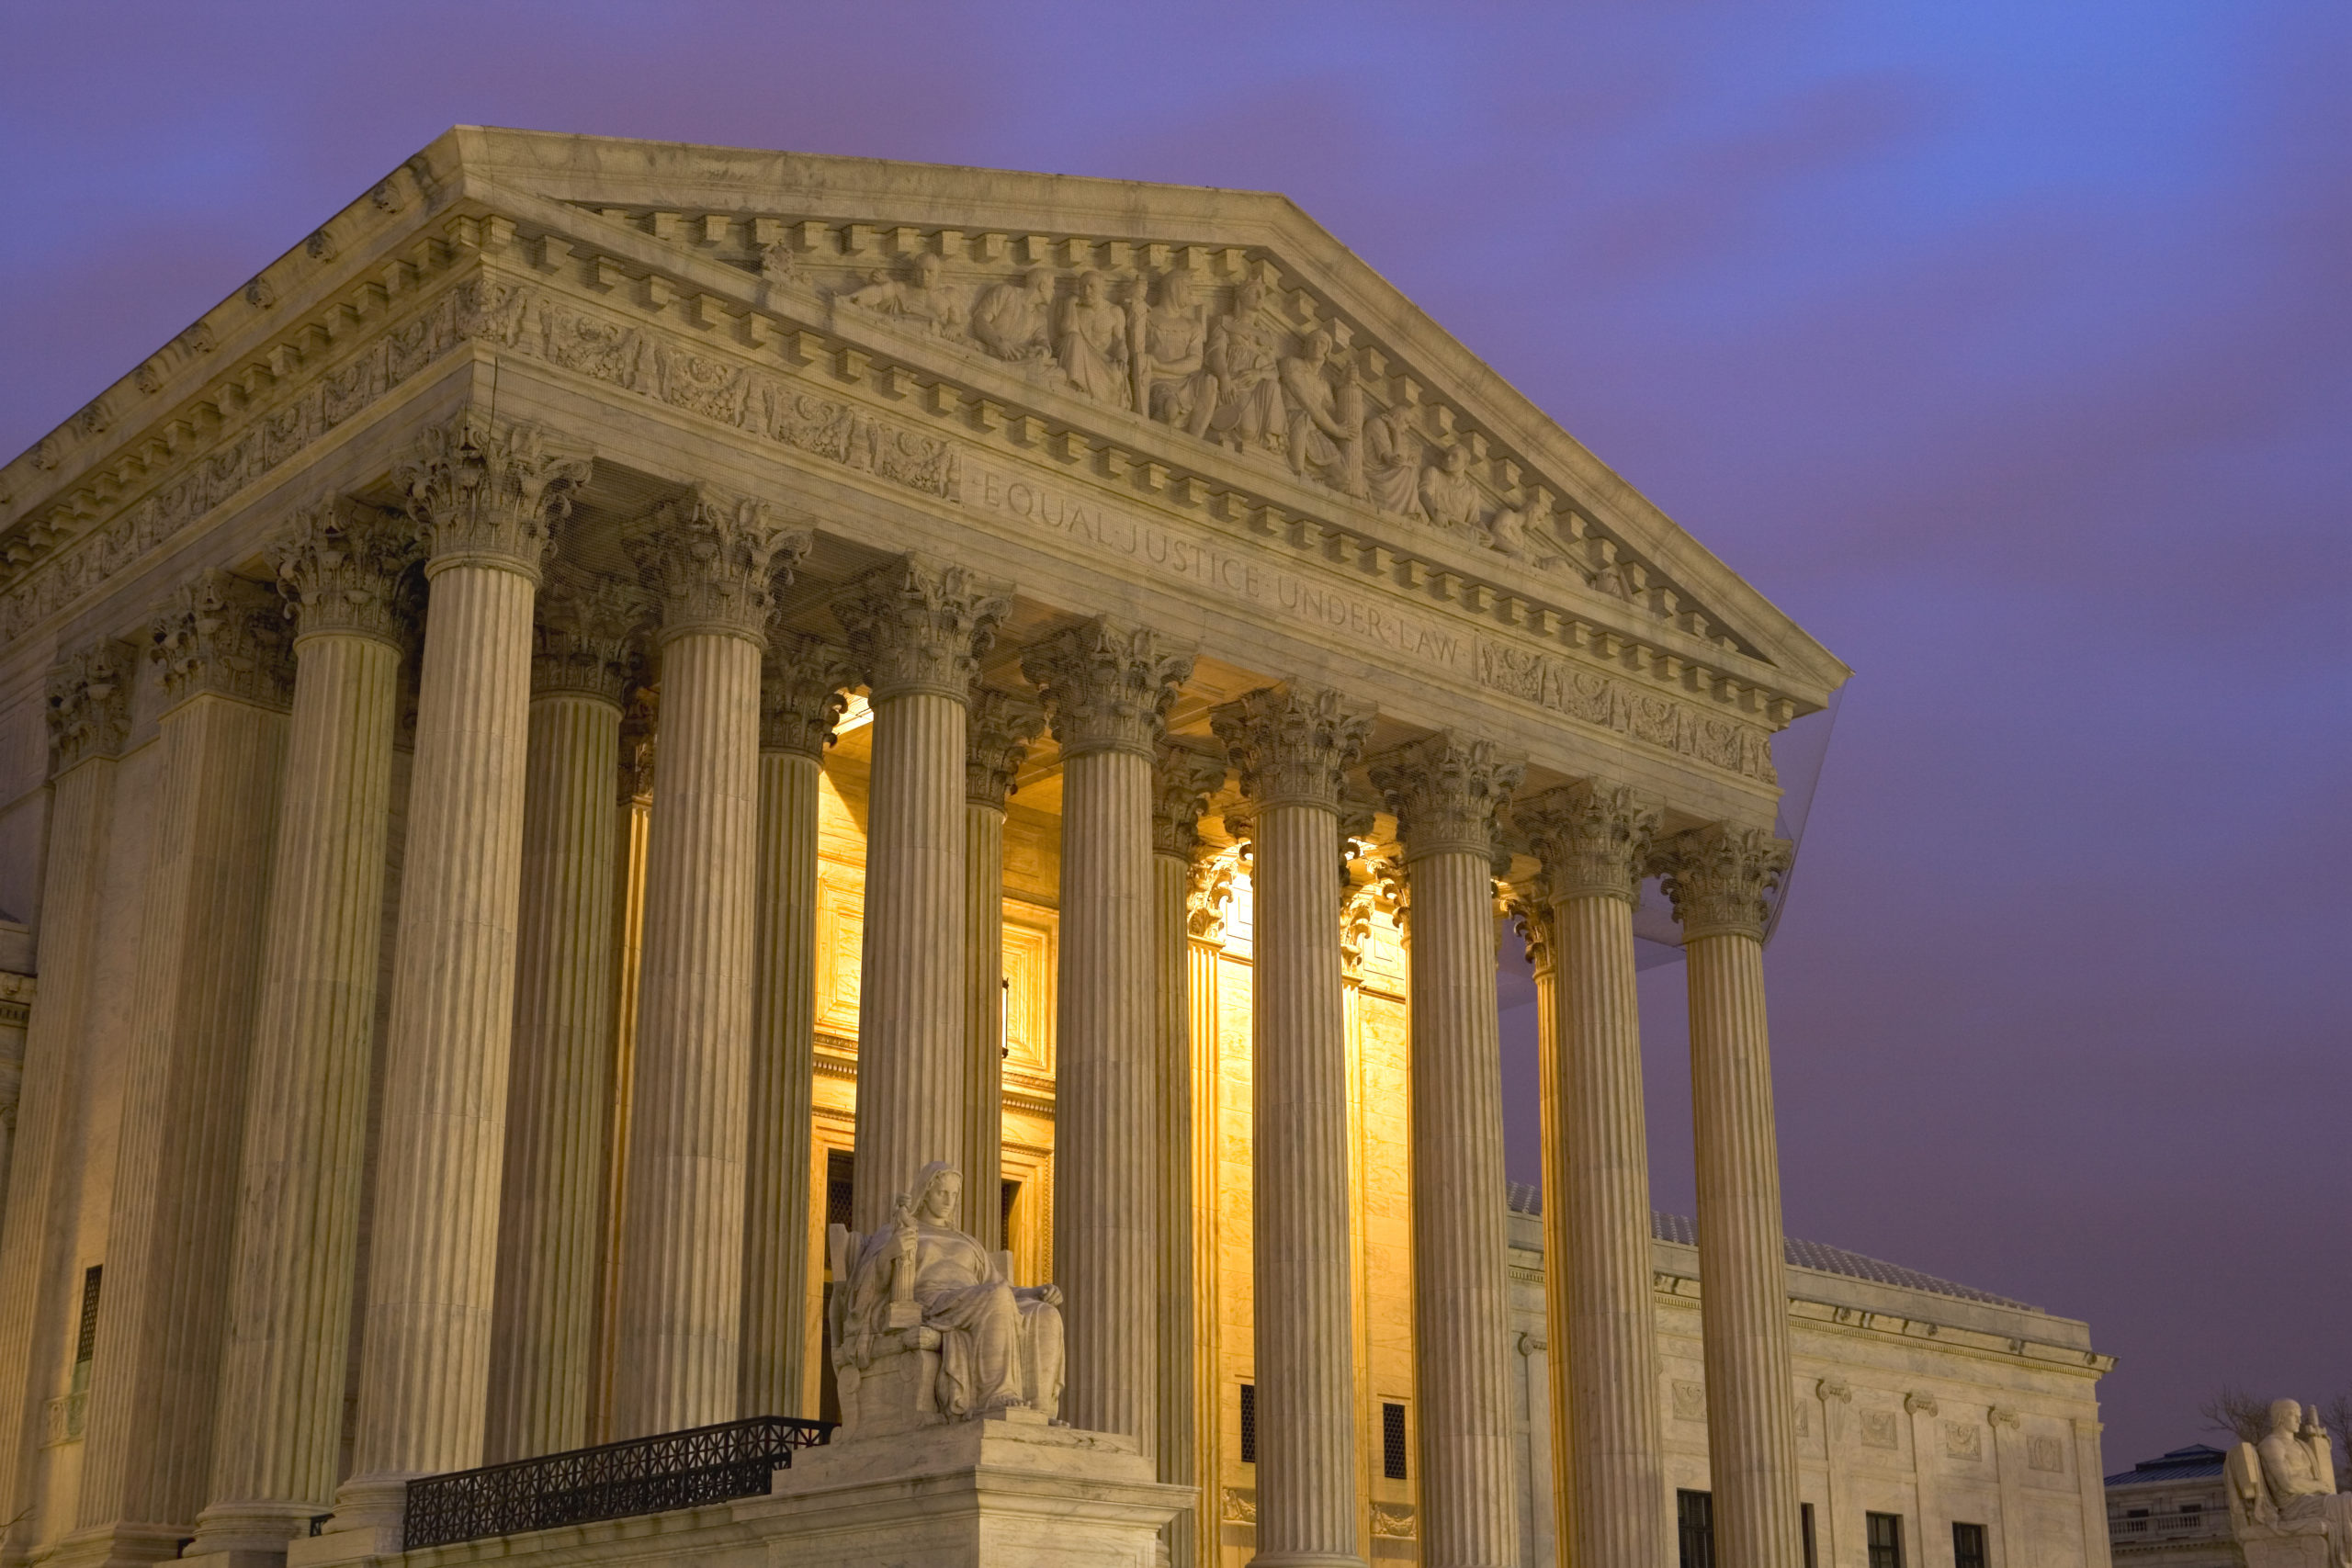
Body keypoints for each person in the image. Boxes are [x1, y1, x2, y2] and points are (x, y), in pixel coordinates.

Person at [842, 1161, 1063, 1419]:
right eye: (942, 1193)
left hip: (975, 1300)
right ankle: (996, 1397)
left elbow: (1000, 1286)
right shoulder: (896, 1230)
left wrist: (1034, 1293)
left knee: (1045, 1313)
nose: (949, 1201)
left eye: (954, 1194)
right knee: (995, 1297)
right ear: (925, 1193)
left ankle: (1039, 1411)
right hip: (932, 1304)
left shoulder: (967, 1241)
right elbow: (866, 1285)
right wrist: (890, 1252)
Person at [2256, 1398, 2352, 1563]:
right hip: (2294, 1506)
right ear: (2280, 1417)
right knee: (2349, 1502)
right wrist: (2318, 1486)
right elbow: (2287, 1484)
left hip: (2313, 1500)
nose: (2299, 1420)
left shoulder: (2301, 1445)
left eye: (2300, 1416)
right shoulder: (2272, 1445)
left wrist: (2322, 1446)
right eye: (2293, 1415)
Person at [1057, 269, 1130, 406]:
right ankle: (1075, 385)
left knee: (1117, 373)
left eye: (1091, 286)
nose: (1086, 291)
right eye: (1082, 287)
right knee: (1074, 338)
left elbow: (1120, 340)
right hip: (1080, 359)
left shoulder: (1114, 311)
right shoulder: (1076, 309)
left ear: (1102, 289)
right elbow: (1068, 332)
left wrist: (1122, 355)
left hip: (1104, 361)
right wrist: (1070, 305)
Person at [972, 267, 1056, 363]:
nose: (1054, 292)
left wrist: (1044, 350)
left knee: (1057, 371)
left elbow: (1042, 340)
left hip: (1019, 361)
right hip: (990, 356)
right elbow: (979, 319)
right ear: (1042, 286)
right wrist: (998, 342)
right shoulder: (1005, 292)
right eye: (1052, 286)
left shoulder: (1040, 319)